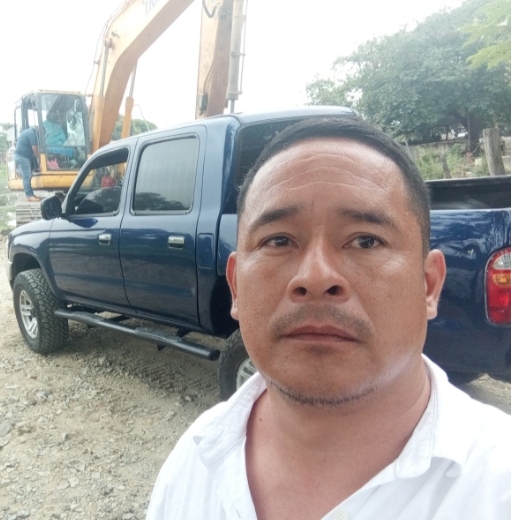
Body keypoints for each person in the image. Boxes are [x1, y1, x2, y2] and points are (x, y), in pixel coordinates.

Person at [146, 117, 511, 520]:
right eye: (278, 240)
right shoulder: (194, 460)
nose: (316, 277)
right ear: (236, 286)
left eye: (365, 241)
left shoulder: (497, 485)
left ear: (428, 285)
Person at [14, 127, 41, 202]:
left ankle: (31, 194)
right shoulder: (32, 134)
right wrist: (40, 159)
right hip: (22, 157)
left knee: (28, 175)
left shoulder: (29, 132)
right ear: (38, 130)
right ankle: (29, 196)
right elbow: (35, 149)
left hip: (22, 156)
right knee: (27, 176)